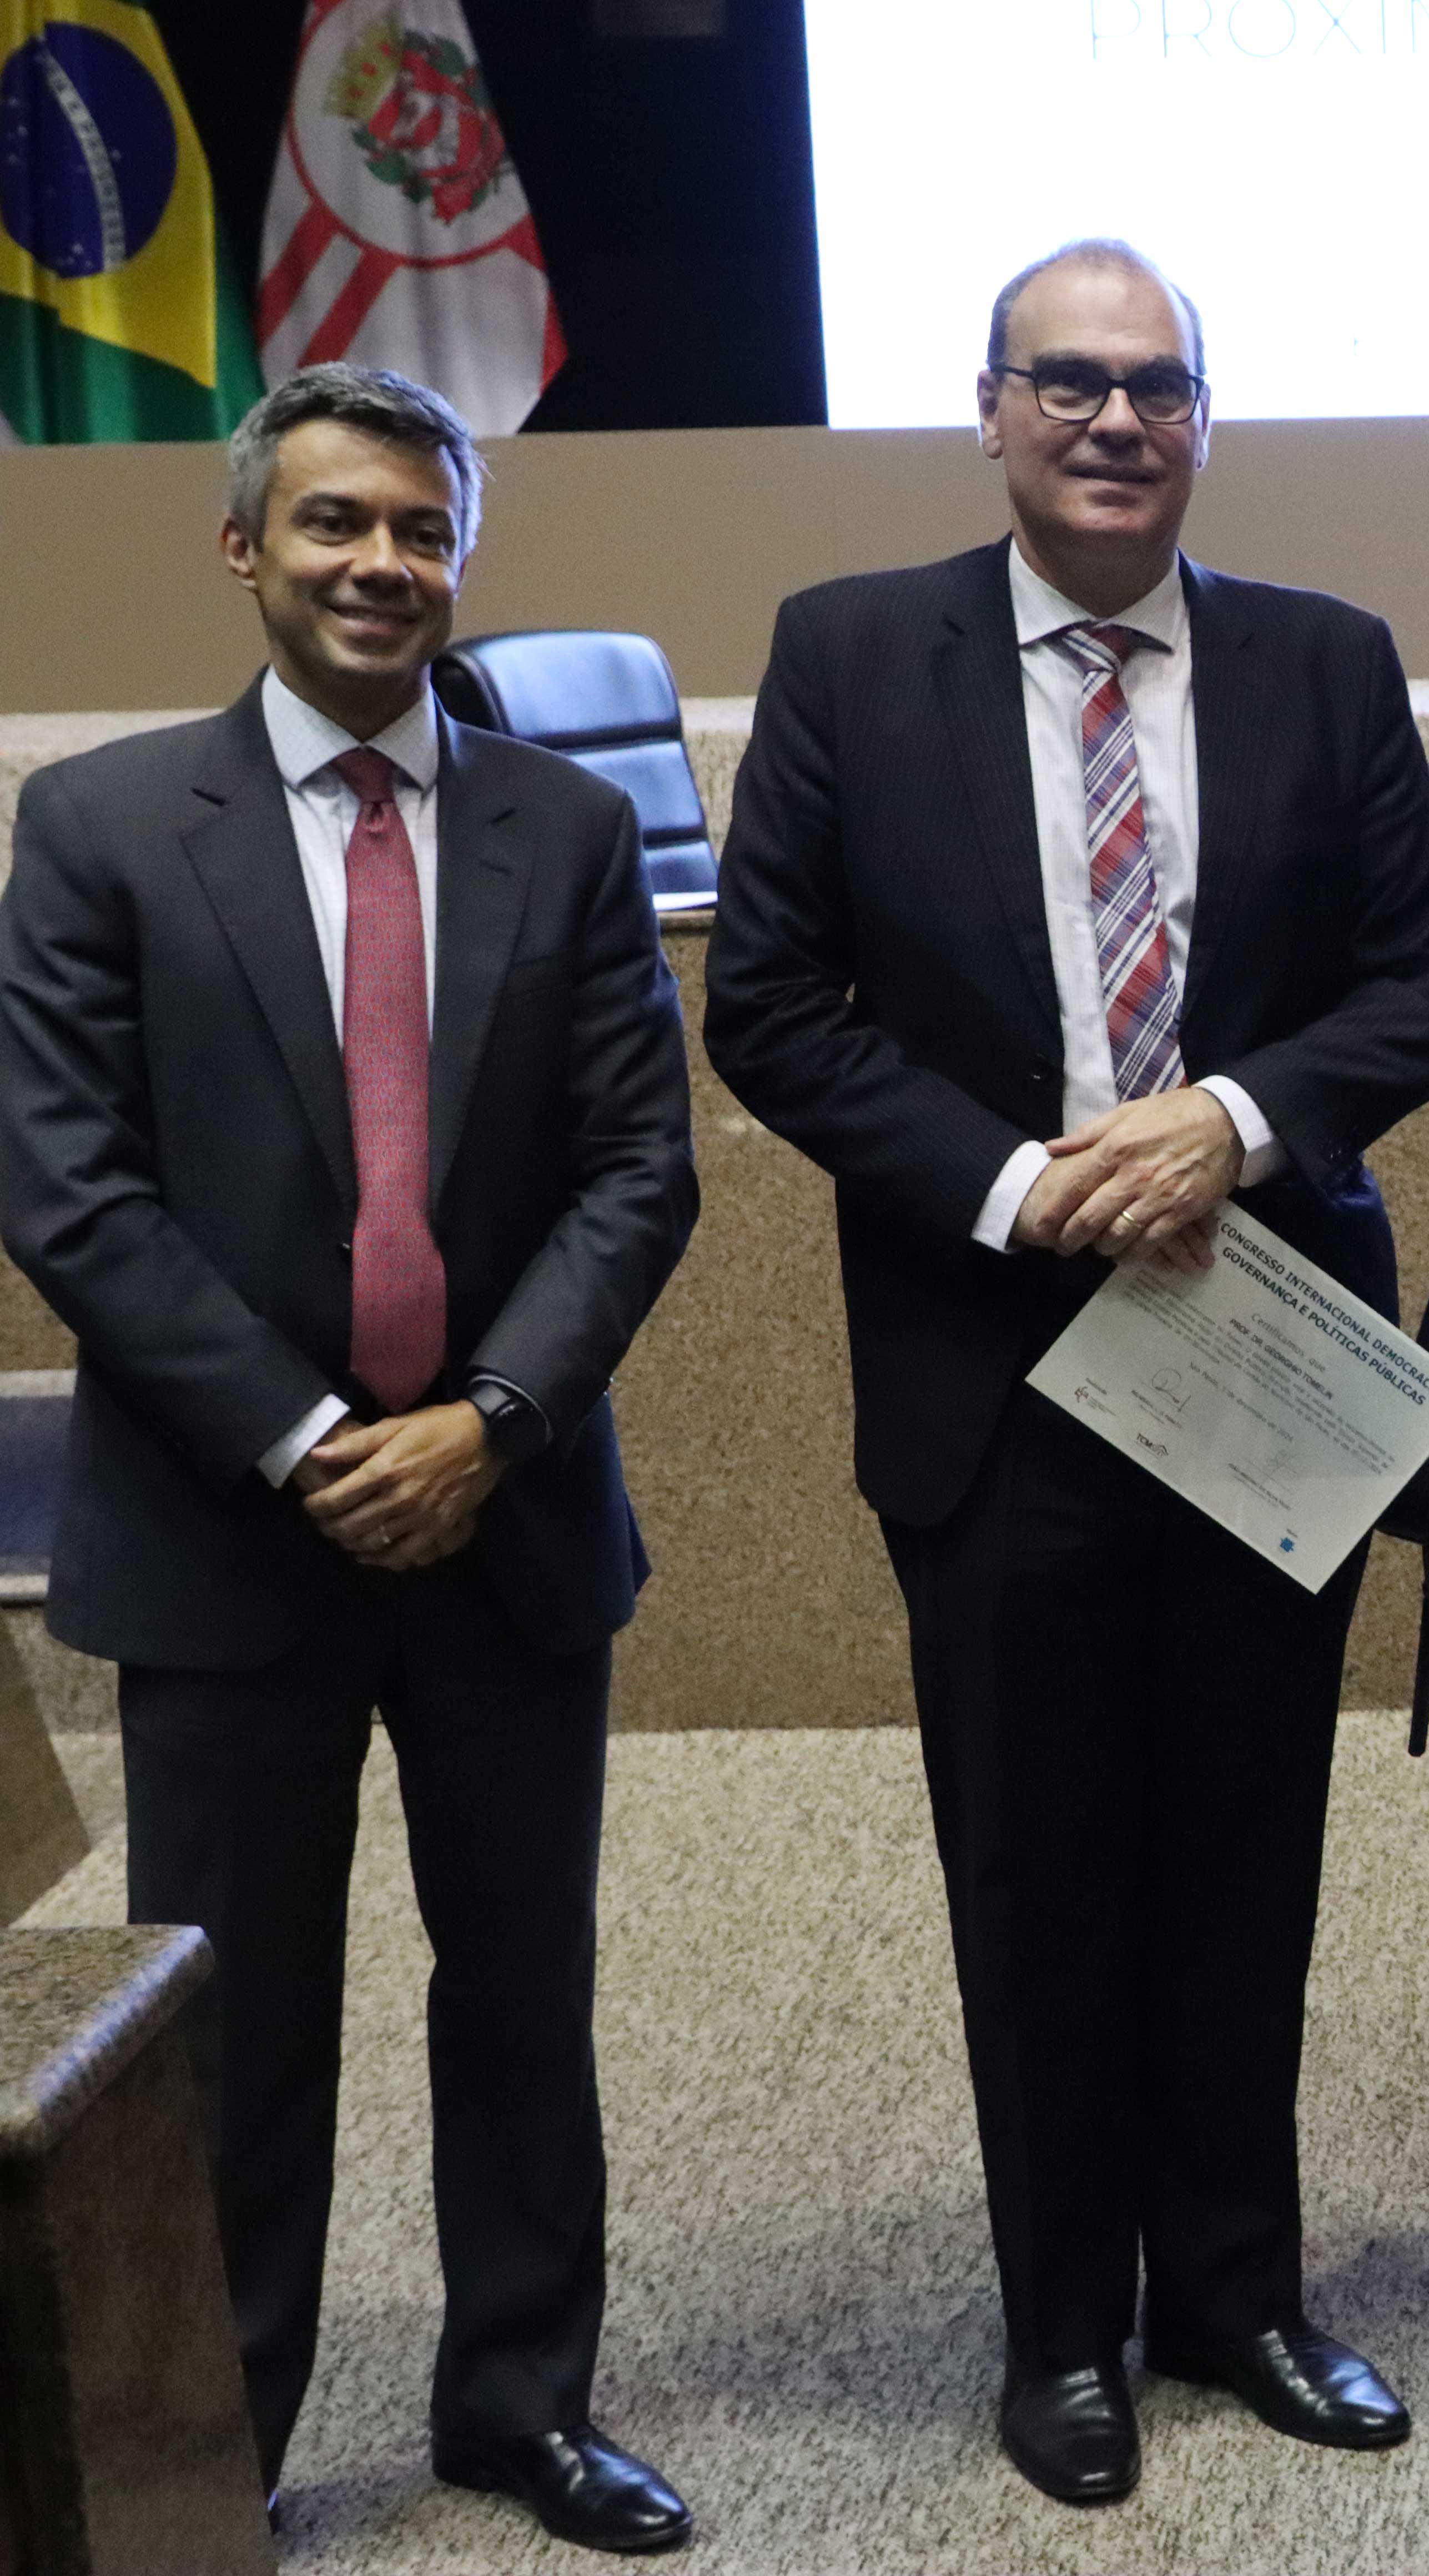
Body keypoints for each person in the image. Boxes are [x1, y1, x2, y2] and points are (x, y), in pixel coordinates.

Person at [704, 240, 1429, 2505]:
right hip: (995, 1366)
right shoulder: (853, 653)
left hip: (1261, 1351)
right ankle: (1063, 2330)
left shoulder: (1326, 662)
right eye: (1068, 381)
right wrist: (1021, 1184)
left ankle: (1237, 2294)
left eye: (1157, 385)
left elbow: (1426, 981)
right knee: (1038, 1874)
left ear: (1204, 419)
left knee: (1247, 1852)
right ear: (991, 410)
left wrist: (1229, 1122)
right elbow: (773, 1005)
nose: (1116, 419)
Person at [0, 365, 700, 2550]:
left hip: (509, 1511)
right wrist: (314, 1441)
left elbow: (640, 1168)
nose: (380, 562)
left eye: (419, 526)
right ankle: (223, 2442)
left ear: (458, 552)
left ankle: (524, 2402)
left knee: (523, 1987)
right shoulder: (102, 824)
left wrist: (489, 1423)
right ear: (245, 548)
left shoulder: (566, 829)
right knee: (232, 2017)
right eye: (334, 523)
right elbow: (67, 1187)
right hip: (229, 1530)